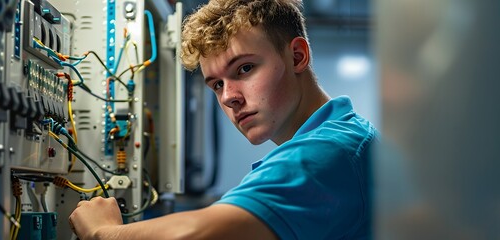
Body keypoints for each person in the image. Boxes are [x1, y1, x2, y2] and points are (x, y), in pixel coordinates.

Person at [69, 0, 378, 239]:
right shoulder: (345, 137)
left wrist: (103, 232)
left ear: (297, 56)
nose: (229, 96)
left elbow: (198, 234)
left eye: (244, 69)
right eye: (216, 84)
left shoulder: (330, 151)